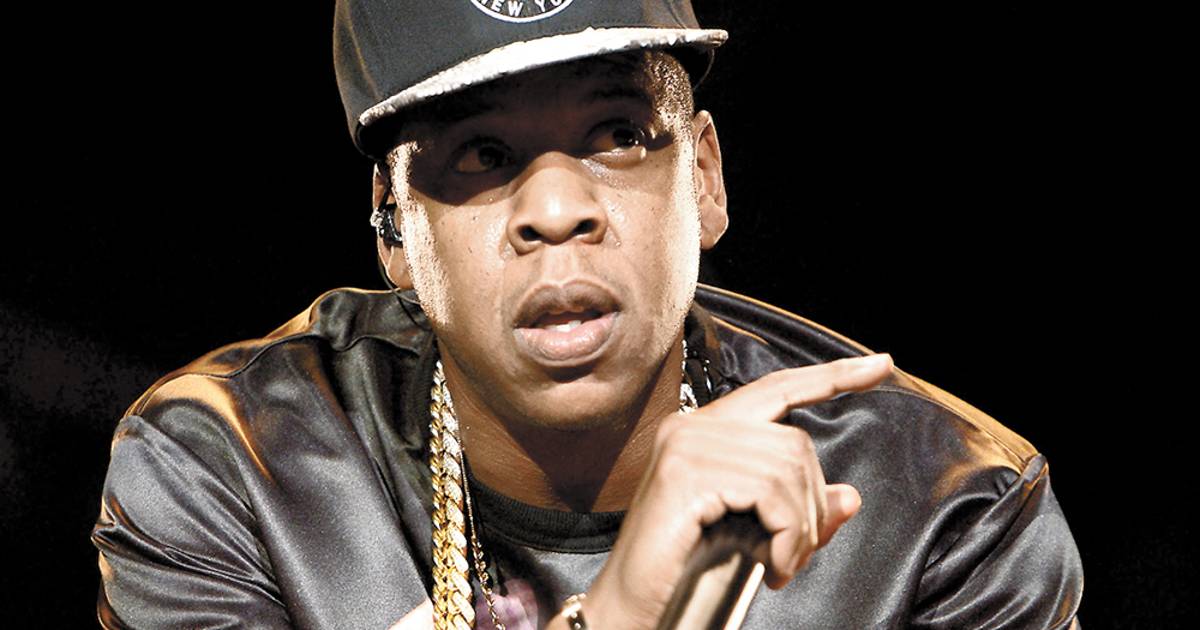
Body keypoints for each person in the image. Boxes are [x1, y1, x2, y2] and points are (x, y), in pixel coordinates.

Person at [91, 1, 1084, 628]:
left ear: (704, 179)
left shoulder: (939, 506)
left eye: (617, 134)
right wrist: (630, 613)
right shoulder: (232, 468)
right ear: (392, 230)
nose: (557, 208)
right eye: (482, 153)